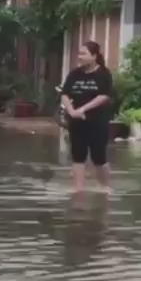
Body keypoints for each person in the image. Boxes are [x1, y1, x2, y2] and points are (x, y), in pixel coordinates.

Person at [60, 41, 114, 193]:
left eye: (83, 54)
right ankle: (78, 189)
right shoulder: (74, 74)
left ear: (94, 56)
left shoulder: (103, 73)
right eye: (79, 53)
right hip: (77, 122)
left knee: (99, 157)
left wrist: (83, 108)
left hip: (97, 121)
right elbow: (65, 94)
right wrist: (71, 110)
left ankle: (105, 187)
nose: (79, 57)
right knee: (78, 156)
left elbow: (103, 97)